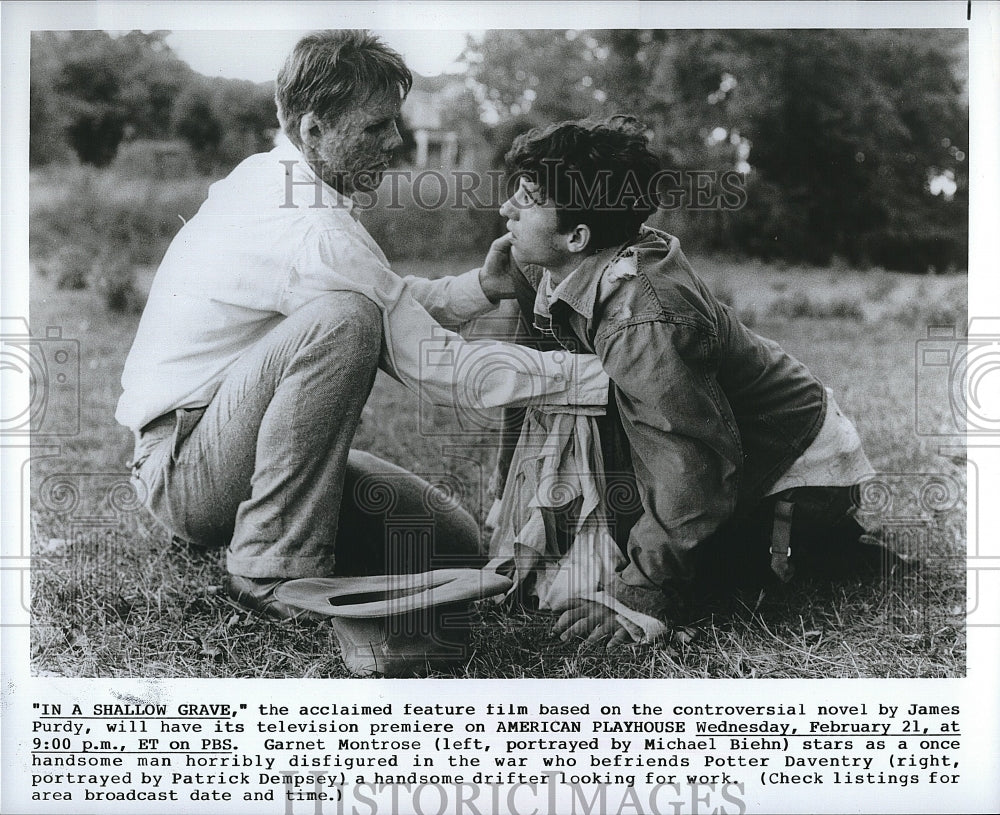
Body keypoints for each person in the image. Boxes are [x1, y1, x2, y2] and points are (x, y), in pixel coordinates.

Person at [115, 30, 609, 621]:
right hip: (186, 469)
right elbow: (436, 365)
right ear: (314, 129)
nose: (395, 141)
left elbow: (386, 296)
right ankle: (271, 568)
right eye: (374, 127)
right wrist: (604, 375)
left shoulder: (280, 177)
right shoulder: (312, 231)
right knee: (345, 321)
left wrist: (480, 289)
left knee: (451, 543)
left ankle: (257, 523)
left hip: (219, 453)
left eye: (392, 123)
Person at [487, 115, 900, 647]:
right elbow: (534, 382)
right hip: (733, 449)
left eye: (526, 197)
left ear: (577, 235)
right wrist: (505, 495)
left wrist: (644, 592)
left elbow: (691, 463)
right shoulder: (557, 266)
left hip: (793, 468)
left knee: (718, 585)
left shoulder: (642, 318)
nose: (506, 210)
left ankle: (829, 546)